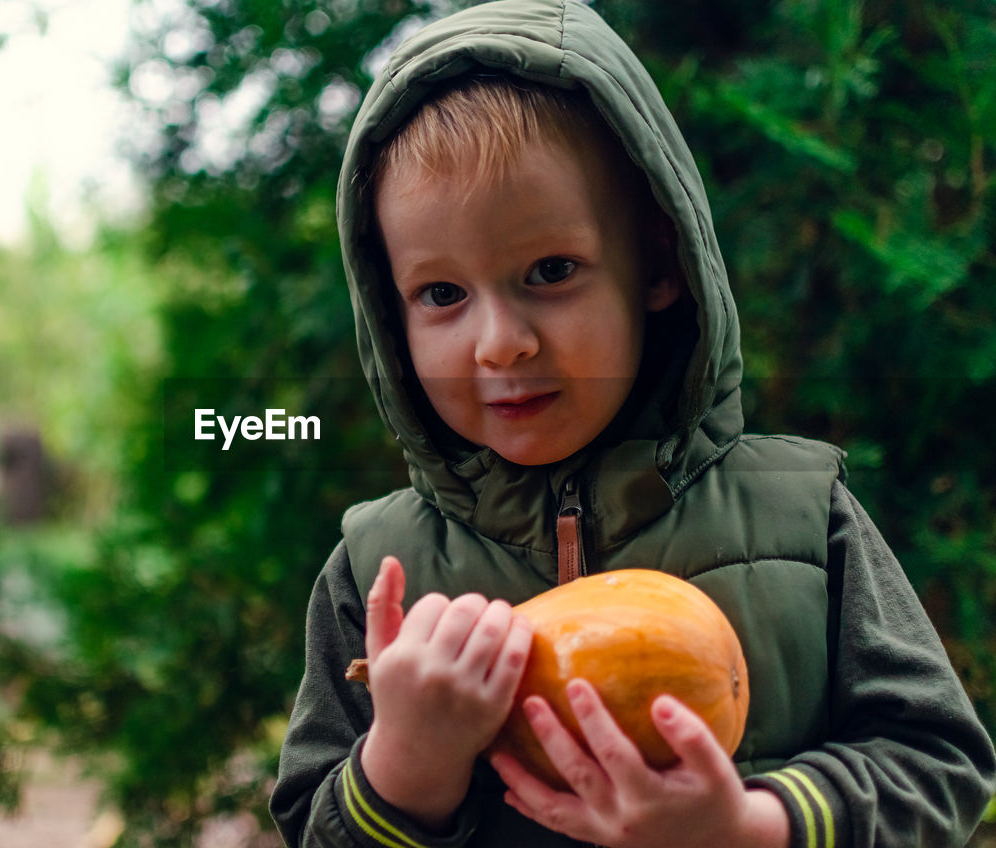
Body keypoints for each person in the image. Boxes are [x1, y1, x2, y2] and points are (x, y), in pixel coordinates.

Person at [268, 1, 996, 846]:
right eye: (442, 294)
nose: (501, 344)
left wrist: (753, 826)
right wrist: (404, 764)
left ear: (658, 264)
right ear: (393, 320)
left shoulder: (805, 512)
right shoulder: (375, 575)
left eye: (550, 270)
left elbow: (941, 766)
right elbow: (311, 827)